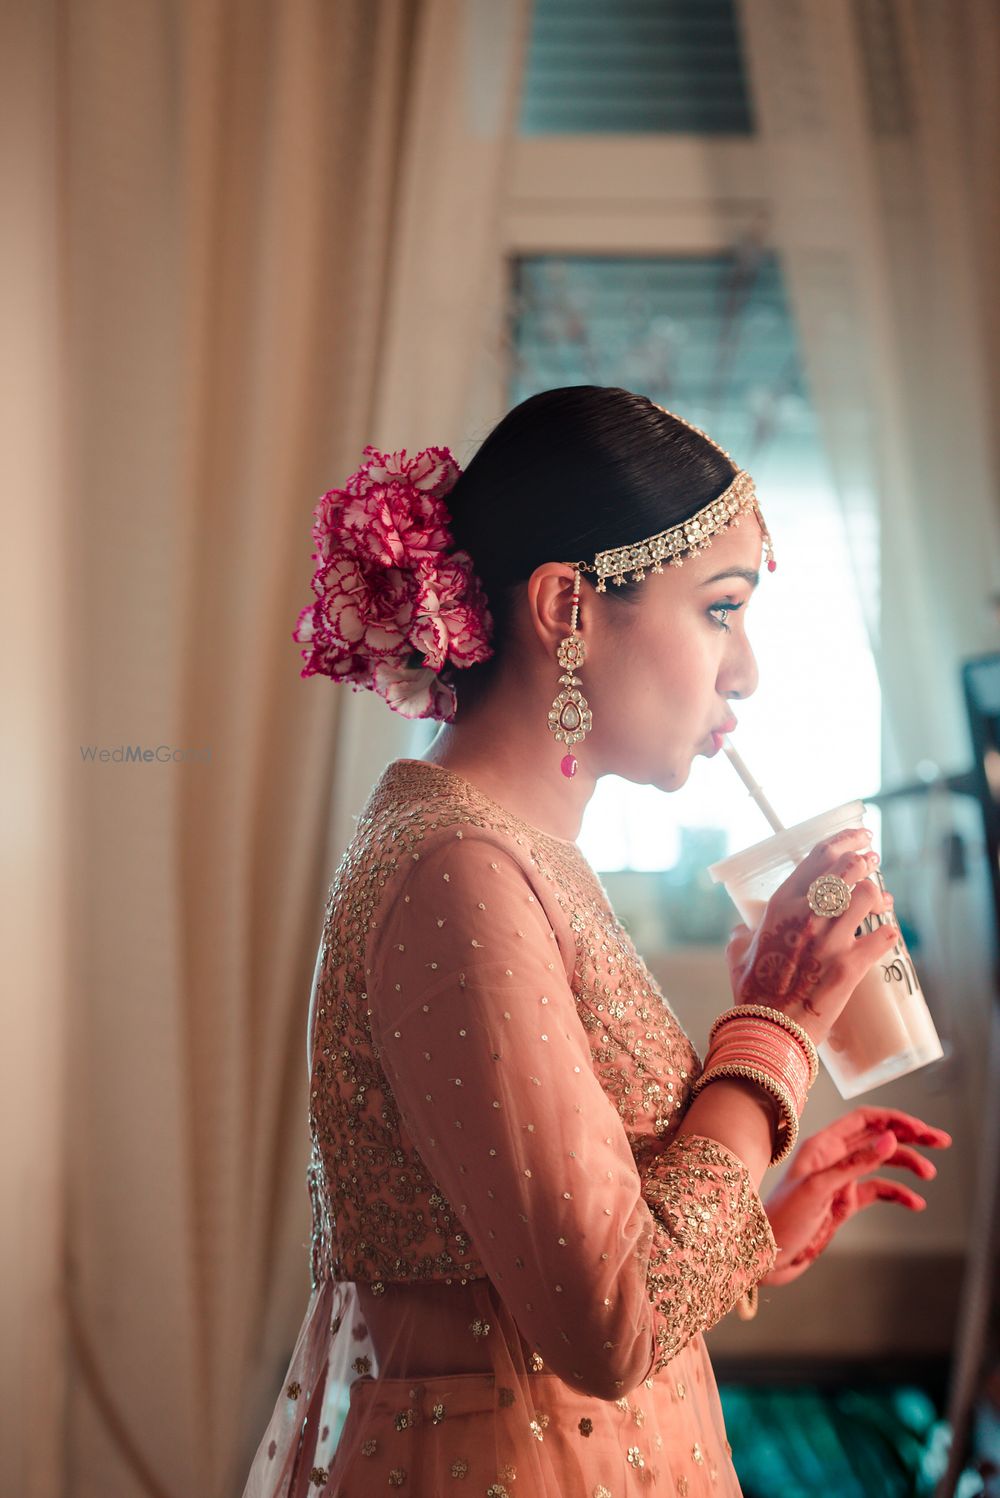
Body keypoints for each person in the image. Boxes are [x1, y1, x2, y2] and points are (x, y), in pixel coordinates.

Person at [242, 387, 951, 1496]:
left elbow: (560, 1264)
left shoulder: (503, 849)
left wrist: (756, 1226)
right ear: (567, 606)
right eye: (720, 608)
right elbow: (607, 1326)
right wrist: (774, 1028)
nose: (746, 669)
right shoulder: (457, 871)